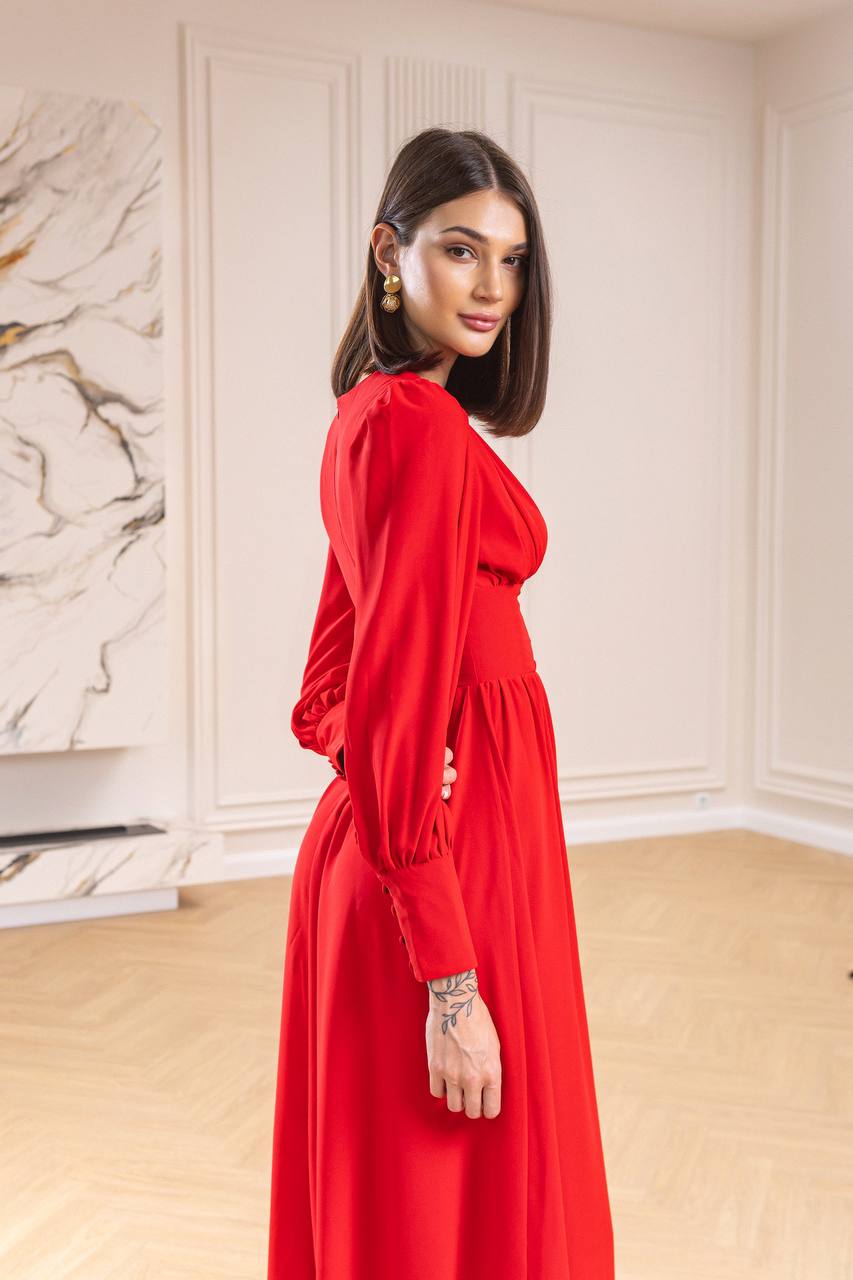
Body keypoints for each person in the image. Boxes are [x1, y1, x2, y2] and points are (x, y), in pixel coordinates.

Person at [267, 126, 614, 1279]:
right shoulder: (414, 430)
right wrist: (451, 979)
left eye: (512, 260)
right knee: (443, 1207)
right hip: (442, 882)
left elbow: (327, 683)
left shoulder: (379, 416)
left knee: (420, 1210)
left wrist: (388, 754)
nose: (492, 287)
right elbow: (370, 697)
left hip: (429, 851)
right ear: (389, 253)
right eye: (461, 251)